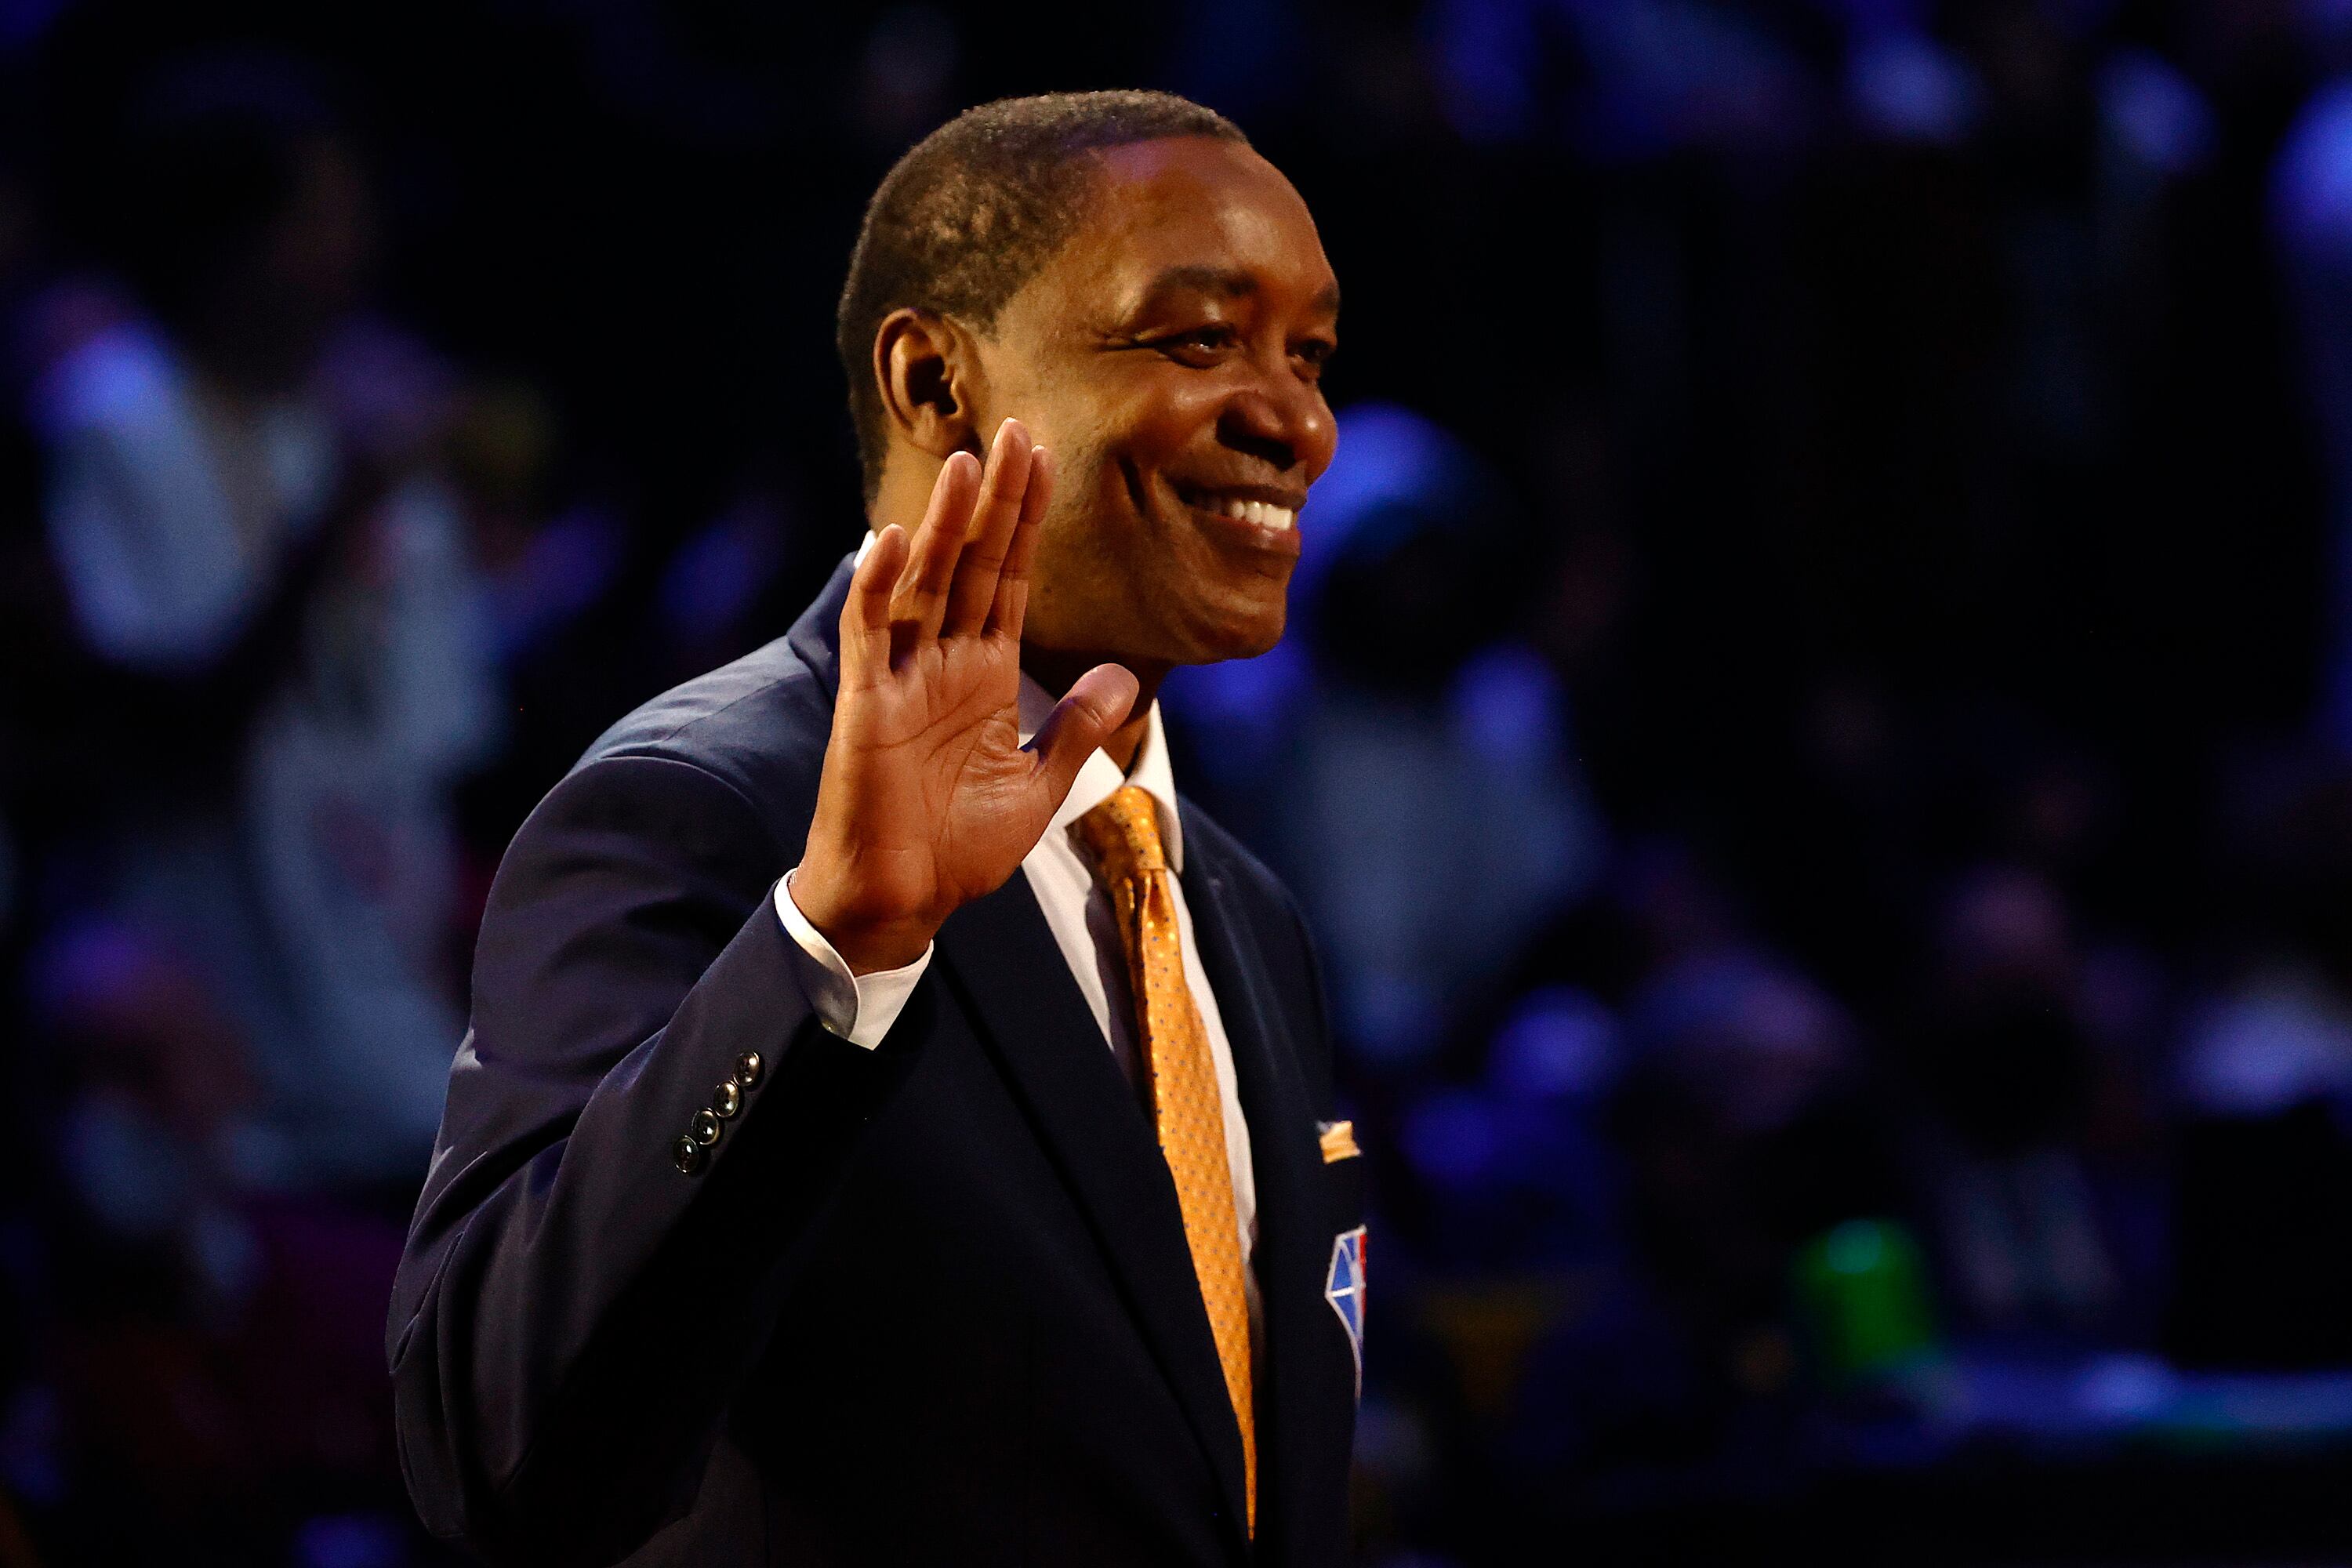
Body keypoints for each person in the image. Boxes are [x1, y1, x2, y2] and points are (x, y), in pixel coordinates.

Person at [388, 92, 1361, 1566]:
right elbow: (497, 1448)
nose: (1297, 421)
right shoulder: (701, 812)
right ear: (933, 383)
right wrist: (837, 954)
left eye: (1311, 356)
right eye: (1199, 340)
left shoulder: (1240, 904)